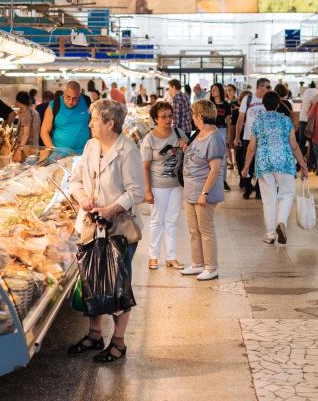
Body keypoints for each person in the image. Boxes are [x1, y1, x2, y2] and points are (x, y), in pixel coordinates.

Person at [67, 99, 143, 364]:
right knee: (93, 283)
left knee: (117, 285)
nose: (89, 123)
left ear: (110, 123)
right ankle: (94, 334)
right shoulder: (90, 146)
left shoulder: (127, 150)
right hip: (90, 225)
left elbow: (136, 192)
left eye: (94, 119)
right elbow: (75, 181)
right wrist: (83, 197)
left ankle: (119, 342)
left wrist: (110, 209)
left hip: (118, 229)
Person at [241, 91, 309, 244]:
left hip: (264, 163)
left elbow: (251, 147)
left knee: (268, 199)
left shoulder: (258, 121)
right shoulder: (286, 120)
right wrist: (303, 166)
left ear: (263, 105)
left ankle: (270, 235)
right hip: (284, 161)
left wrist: (245, 168)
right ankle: (282, 222)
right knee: (286, 195)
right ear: (278, 104)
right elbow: (294, 145)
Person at [180, 100, 225, 281]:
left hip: (202, 192)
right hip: (190, 190)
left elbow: (215, 170)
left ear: (200, 116)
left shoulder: (214, 138)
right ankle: (197, 263)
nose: (192, 118)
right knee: (193, 230)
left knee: (206, 230)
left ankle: (211, 267)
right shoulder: (198, 133)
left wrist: (204, 193)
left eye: (193, 114)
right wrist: (186, 148)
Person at [141, 102, 187, 270]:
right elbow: (145, 167)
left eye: (170, 116)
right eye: (163, 117)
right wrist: (147, 190)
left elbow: (189, 156)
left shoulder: (179, 133)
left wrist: (186, 147)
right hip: (157, 186)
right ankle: (153, 257)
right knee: (156, 220)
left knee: (172, 220)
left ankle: (171, 257)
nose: (168, 120)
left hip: (176, 185)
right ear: (155, 119)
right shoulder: (149, 139)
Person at [236, 78, 270, 199]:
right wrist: (236, 137)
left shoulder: (268, 100)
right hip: (248, 137)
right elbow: (240, 119)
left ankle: (260, 190)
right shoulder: (248, 99)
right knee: (248, 164)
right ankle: (248, 187)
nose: (269, 89)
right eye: (267, 87)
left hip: (264, 138)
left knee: (262, 164)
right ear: (260, 87)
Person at [41, 81, 91, 154]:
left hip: (83, 153)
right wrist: (54, 151)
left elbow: (92, 126)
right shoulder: (54, 105)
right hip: (60, 154)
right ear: (64, 93)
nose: (71, 101)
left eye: (75, 98)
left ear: (80, 95)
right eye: (68, 97)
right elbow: (44, 132)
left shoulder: (86, 101)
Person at [209, 82, 233, 189]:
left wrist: (229, 135)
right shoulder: (209, 104)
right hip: (210, 131)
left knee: (222, 157)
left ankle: (222, 180)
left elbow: (228, 120)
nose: (213, 91)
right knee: (210, 156)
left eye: (215, 89)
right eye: (212, 89)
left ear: (220, 91)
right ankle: (211, 180)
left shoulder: (226, 105)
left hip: (222, 130)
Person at [297, 82, 318, 171]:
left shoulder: (306, 92)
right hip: (311, 120)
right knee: (312, 142)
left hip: (302, 119)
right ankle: (311, 165)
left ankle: (298, 165)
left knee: (301, 143)